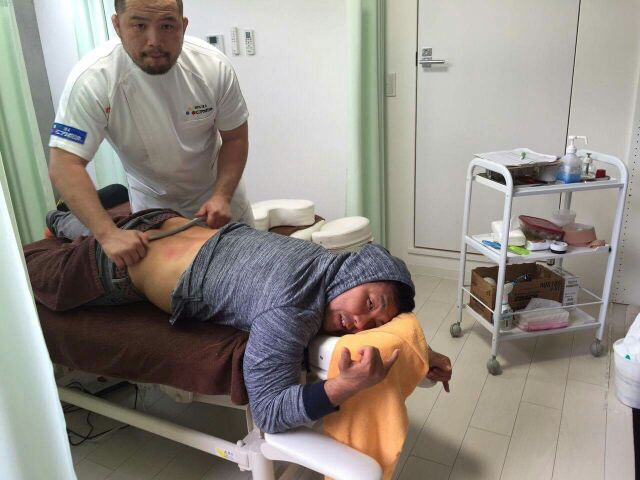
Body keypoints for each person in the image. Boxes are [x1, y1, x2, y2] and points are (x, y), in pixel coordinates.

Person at [41, 209, 453, 433]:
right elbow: (270, 413)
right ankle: (61, 222)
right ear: (354, 273)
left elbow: (386, 317)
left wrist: (420, 353)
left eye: (372, 324)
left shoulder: (320, 258)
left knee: (92, 226)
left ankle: (60, 219)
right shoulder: (291, 308)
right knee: (32, 273)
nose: (359, 324)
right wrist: (344, 386)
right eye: (369, 303)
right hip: (114, 264)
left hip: (161, 222)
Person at [48, 0, 253, 271]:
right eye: (139, 25)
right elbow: (65, 163)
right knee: (181, 281)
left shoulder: (212, 67)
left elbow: (235, 138)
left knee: (249, 269)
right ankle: (59, 221)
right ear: (117, 26)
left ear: (183, 26)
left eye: (167, 26)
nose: (154, 41)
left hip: (219, 198)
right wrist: (108, 234)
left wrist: (222, 196)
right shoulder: (93, 80)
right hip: (154, 207)